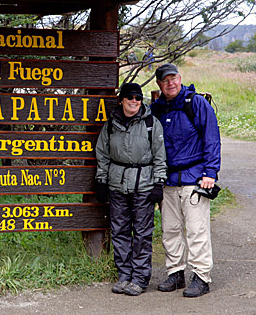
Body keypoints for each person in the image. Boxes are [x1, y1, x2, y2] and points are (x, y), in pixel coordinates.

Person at [151, 63, 221, 298]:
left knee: (196, 230)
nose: (170, 83)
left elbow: (211, 138)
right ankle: (176, 272)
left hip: (194, 178)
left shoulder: (196, 104)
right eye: (165, 80)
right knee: (169, 229)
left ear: (180, 79)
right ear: (159, 85)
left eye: (174, 78)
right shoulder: (156, 109)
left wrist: (210, 173)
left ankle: (202, 277)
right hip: (168, 180)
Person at [95, 83, 167, 296]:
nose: (134, 101)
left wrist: (158, 183)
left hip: (143, 185)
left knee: (143, 233)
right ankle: (124, 275)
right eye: (130, 97)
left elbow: (160, 156)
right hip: (117, 185)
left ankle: (140, 278)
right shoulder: (110, 125)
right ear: (121, 100)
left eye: (137, 97)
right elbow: (103, 154)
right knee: (120, 230)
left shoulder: (151, 124)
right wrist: (101, 181)